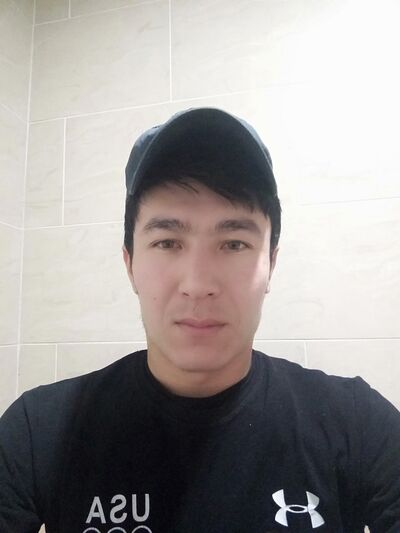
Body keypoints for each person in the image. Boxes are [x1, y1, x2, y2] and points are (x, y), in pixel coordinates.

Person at [0, 107, 399, 533]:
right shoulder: (39, 430)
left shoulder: (357, 424)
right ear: (130, 264)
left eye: (234, 244)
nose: (198, 284)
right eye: (167, 242)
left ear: (271, 263)